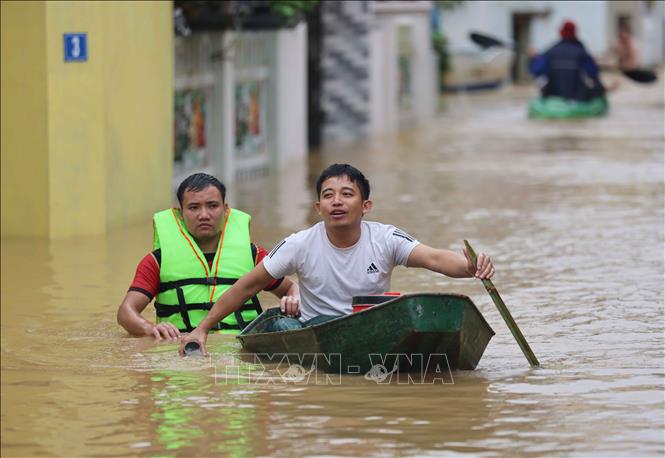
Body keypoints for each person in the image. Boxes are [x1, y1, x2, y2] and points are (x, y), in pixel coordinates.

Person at [179, 164, 495, 356]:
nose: (337, 202)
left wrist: (470, 267)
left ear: (366, 205)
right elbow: (247, 286)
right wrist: (202, 329)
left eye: (347, 194)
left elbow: (436, 258)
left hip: (373, 330)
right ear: (318, 207)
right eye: (328, 195)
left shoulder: (385, 238)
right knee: (282, 324)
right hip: (321, 334)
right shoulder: (299, 244)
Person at [117, 173, 299, 340]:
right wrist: (149, 328)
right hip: (183, 352)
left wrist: (293, 299)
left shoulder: (254, 255)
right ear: (180, 214)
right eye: (194, 207)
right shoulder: (157, 261)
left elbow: (291, 289)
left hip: (239, 352)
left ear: (225, 209)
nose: (204, 215)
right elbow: (126, 312)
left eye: (212, 206)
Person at [528, 20, 605, 101]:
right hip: (577, 96)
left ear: (561, 33)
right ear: (575, 33)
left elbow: (535, 70)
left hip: (553, 94)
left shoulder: (551, 51)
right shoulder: (581, 51)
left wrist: (533, 59)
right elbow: (593, 72)